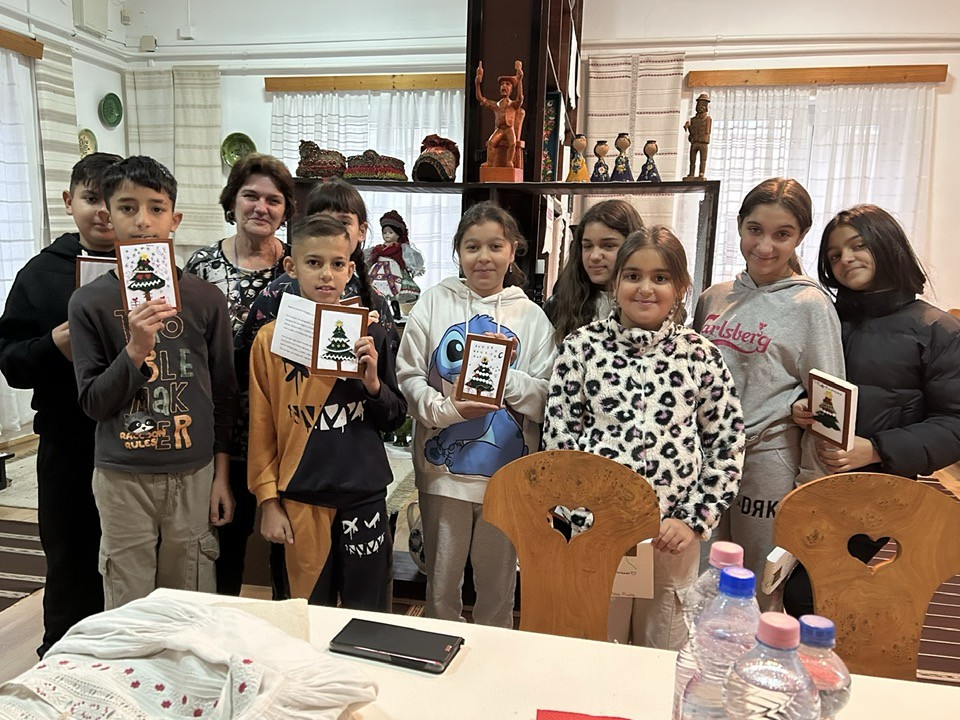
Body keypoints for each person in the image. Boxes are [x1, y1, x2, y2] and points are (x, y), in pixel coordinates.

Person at [543, 227, 745, 648]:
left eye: (660, 277)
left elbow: (726, 444)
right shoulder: (581, 348)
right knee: (599, 648)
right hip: (598, 533)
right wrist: (586, 517)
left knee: (665, 650)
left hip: (673, 537)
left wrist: (693, 519)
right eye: (633, 276)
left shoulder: (701, 355)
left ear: (681, 287)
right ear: (616, 282)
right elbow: (560, 443)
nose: (645, 288)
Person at [68, 156, 238, 609]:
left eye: (156, 208)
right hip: (122, 473)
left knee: (190, 595)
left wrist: (221, 474)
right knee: (128, 598)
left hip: (193, 470)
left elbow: (224, 393)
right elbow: (92, 401)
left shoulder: (205, 299)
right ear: (109, 216)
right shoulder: (88, 303)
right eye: (127, 208)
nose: (142, 221)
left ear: (174, 219)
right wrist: (135, 351)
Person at [784, 204, 960, 616]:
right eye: (834, 254)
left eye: (858, 246)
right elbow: (805, 379)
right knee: (780, 575)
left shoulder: (937, 330)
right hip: (807, 474)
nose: (846, 259)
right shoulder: (827, 316)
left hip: (877, 489)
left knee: (809, 592)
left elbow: (955, 423)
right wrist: (801, 405)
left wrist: (877, 448)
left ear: (887, 244)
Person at [396, 200, 556, 627]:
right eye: (472, 247)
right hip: (442, 477)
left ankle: (494, 656)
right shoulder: (434, 303)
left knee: (498, 587)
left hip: (506, 481)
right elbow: (408, 375)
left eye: (495, 246)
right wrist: (445, 409)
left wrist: (503, 380)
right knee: (441, 585)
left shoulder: (533, 318)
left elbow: (547, 397)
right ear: (458, 252)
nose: (483, 257)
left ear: (513, 251)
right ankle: (437, 649)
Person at [694, 178, 844, 610]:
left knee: (760, 585)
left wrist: (810, 487)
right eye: (755, 230)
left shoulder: (811, 306)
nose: (764, 246)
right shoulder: (713, 299)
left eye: (782, 234)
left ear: (801, 236)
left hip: (768, 461)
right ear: (739, 225)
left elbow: (827, 403)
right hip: (705, 458)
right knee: (700, 578)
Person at [247, 215, 406, 610]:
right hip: (302, 498)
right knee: (304, 617)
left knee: (368, 616)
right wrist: (268, 501)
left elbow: (394, 417)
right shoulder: (270, 341)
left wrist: (373, 385)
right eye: (313, 262)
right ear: (291, 266)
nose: (326, 275)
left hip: (363, 497)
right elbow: (262, 427)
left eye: (337, 264)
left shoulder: (371, 333)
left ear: (350, 269)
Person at [0, 152, 122, 656]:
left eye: (115, 201)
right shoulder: (39, 274)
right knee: (70, 556)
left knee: (131, 558)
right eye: (91, 198)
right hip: (67, 444)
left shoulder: (152, 269)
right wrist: (53, 345)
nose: (103, 212)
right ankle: (59, 657)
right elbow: (10, 362)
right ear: (69, 201)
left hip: (137, 445)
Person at [184, 153, 295, 596]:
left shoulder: (300, 266)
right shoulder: (202, 267)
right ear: (232, 200)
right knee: (223, 548)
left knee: (288, 552)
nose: (261, 208)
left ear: (286, 210)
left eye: (273, 200)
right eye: (251, 196)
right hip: (220, 436)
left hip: (286, 433)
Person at [544, 199, 644, 346]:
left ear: (632, 247)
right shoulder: (559, 306)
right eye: (587, 246)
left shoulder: (648, 305)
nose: (594, 256)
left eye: (608, 245)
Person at [365, 210, 425, 320]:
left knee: (394, 294)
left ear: (397, 234)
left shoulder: (401, 248)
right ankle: (379, 313)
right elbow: (367, 257)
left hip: (394, 271)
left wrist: (415, 268)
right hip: (378, 271)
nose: (387, 235)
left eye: (390, 232)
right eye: (384, 233)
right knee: (377, 293)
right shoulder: (378, 249)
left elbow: (411, 257)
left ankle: (396, 313)